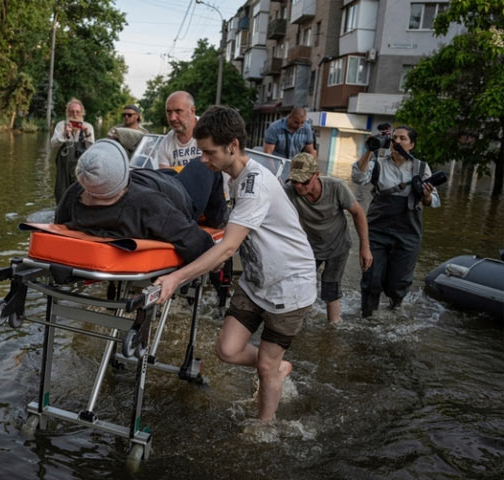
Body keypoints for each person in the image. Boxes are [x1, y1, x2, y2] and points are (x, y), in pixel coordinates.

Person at [154, 106, 316, 423]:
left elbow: (228, 248)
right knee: (227, 350)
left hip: (289, 285)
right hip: (256, 281)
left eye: (208, 152)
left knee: (266, 366)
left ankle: (263, 427)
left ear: (233, 146)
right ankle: (276, 366)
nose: (202, 160)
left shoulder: (255, 184)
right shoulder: (232, 176)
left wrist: (176, 279)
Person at [55, 139, 228, 263]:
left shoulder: (75, 192)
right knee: (206, 163)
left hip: (152, 180)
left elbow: (59, 223)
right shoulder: (147, 204)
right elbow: (195, 242)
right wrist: (219, 257)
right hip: (181, 195)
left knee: (168, 172)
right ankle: (219, 221)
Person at [351, 125, 440, 317]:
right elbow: (358, 178)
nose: (397, 142)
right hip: (377, 229)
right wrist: (369, 150)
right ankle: (367, 317)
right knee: (371, 277)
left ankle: (394, 311)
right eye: (395, 138)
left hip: (408, 231)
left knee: (398, 282)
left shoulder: (422, 167)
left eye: (402, 139)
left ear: (412, 145)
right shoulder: (378, 163)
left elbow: (435, 201)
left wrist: (426, 196)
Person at [284, 152, 373, 325]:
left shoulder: (336, 187)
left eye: (304, 182)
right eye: (295, 181)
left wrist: (365, 247)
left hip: (337, 246)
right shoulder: (288, 191)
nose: (299, 187)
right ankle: (299, 323)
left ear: (316, 175)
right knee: (298, 284)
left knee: (331, 287)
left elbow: (358, 213)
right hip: (309, 247)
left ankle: (333, 327)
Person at [51, 98, 95, 204]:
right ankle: (60, 213)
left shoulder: (88, 126)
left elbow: (93, 150)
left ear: (82, 113)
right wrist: (65, 134)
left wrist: (87, 134)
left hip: (81, 164)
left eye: (77, 112)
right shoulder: (61, 125)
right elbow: (53, 144)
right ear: (68, 112)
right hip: (64, 164)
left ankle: (78, 213)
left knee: (80, 190)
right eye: (71, 112)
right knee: (61, 190)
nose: (74, 114)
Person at [155, 91, 201, 168]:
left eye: (178, 111)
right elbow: (164, 177)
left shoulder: (211, 131)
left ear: (192, 111)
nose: (172, 118)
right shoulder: (165, 143)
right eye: (169, 112)